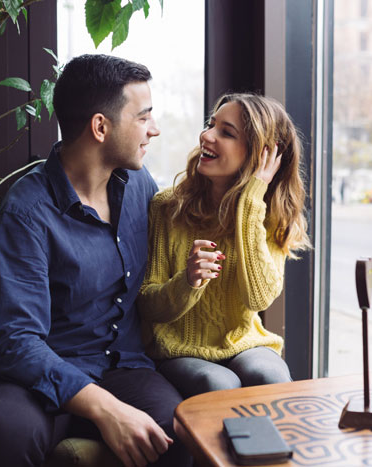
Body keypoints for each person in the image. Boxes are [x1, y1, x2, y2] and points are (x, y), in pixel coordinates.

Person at [0, 54, 191, 467]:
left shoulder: (139, 185)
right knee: (1, 433)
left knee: (176, 433)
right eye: (143, 118)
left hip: (125, 368)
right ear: (100, 127)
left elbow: (194, 217)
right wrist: (104, 407)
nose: (154, 130)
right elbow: (15, 340)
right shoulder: (26, 211)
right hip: (40, 375)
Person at [137, 93, 311, 398]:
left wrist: (249, 204)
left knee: (269, 374)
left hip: (243, 343)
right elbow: (148, 305)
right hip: (179, 348)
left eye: (226, 132)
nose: (206, 135)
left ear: (261, 155)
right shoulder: (167, 207)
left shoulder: (270, 216)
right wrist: (188, 282)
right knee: (219, 384)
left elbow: (258, 298)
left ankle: (270, 448)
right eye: (210, 125)